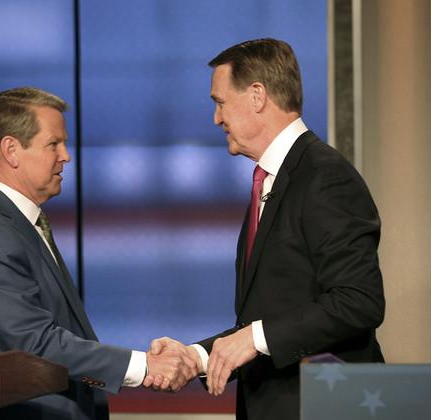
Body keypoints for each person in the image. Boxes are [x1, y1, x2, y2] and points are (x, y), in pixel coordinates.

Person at [147, 38, 385, 419]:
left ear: (257, 96)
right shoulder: (272, 180)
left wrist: (254, 338)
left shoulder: (325, 177)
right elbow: (267, 316)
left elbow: (359, 301)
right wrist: (197, 357)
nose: (216, 118)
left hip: (322, 407)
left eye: (220, 102)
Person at [0, 87, 197, 420]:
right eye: (53, 144)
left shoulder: (19, 224)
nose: (66, 156)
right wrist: (144, 366)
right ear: (11, 150)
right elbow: (38, 343)